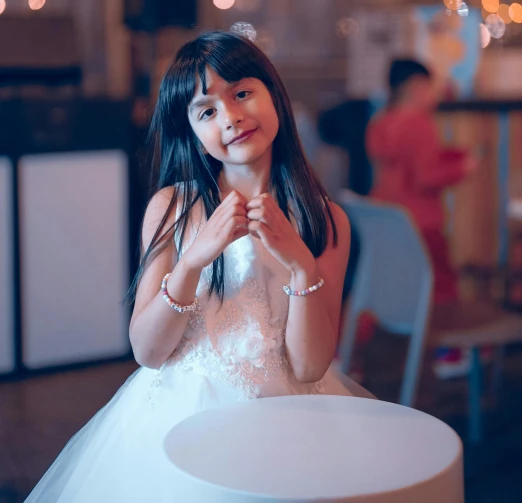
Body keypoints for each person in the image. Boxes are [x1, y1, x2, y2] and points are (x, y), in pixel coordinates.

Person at [26, 30, 371, 503]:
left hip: (287, 419)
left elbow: (310, 367)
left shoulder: (326, 220)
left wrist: (300, 267)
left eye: (242, 93)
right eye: (207, 111)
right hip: (174, 417)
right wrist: (193, 260)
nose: (231, 117)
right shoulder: (172, 206)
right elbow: (147, 351)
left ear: (274, 94)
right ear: (192, 132)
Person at [366, 58, 478, 379]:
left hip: (390, 221)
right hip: (422, 223)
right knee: (443, 286)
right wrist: (463, 168)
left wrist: (450, 155)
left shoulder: (382, 121)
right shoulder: (420, 122)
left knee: (393, 286)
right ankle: (449, 353)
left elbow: (404, 165)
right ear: (416, 87)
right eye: (431, 86)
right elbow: (427, 177)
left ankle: (365, 351)